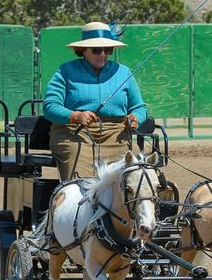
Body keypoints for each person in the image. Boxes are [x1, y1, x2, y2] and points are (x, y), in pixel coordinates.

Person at [42, 22, 147, 182]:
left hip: (116, 134)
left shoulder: (124, 72)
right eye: (97, 50)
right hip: (75, 133)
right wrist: (74, 115)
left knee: (131, 173)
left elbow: (139, 107)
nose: (103, 54)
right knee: (78, 167)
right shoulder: (65, 71)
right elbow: (50, 106)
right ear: (83, 50)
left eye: (108, 50)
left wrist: (135, 118)